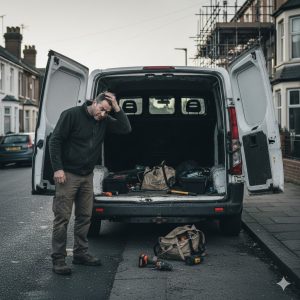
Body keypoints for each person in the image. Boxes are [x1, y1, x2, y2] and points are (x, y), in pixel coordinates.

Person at [49, 91, 131, 275]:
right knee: (62, 218)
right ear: (94, 102)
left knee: (85, 217)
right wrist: (58, 168)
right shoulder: (71, 115)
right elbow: (55, 141)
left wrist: (117, 108)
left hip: (87, 176)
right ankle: (59, 259)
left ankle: (80, 254)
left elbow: (125, 129)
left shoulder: (103, 120)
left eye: (106, 112)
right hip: (67, 175)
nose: (102, 114)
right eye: (101, 109)